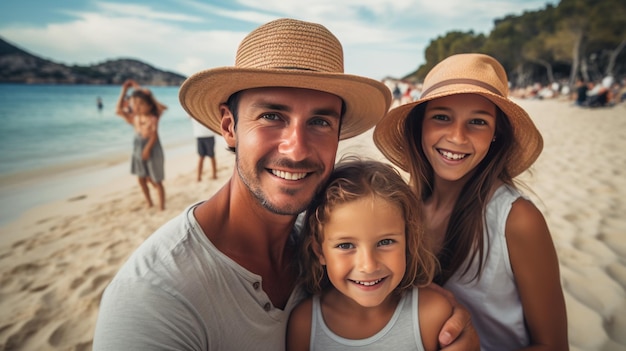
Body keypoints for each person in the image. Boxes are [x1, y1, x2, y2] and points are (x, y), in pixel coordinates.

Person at [93, 18, 478, 350]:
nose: (295, 150)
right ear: (229, 126)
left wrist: (440, 313)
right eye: (272, 115)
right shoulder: (156, 298)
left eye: (320, 121)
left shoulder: (321, 234)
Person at [374, 53, 568, 351]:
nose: (457, 136)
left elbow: (554, 345)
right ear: (420, 125)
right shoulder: (404, 204)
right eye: (441, 117)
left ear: (495, 135)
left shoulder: (517, 219)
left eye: (478, 121)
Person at [286, 157, 451, 351]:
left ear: (408, 242)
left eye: (385, 242)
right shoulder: (305, 324)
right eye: (346, 245)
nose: (369, 265)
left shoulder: (432, 314)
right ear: (319, 250)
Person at [114, 79, 167, 211]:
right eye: (134, 104)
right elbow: (118, 109)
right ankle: (149, 202)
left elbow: (154, 135)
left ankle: (161, 206)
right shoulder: (134, 118)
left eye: (141, 104)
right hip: (138, 149)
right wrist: (124, 91)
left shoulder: (154, 117)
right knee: (141, 178)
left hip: (152, 148)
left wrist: (140, 89)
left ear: (149, 105)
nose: (137, 107)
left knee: (156, 179)